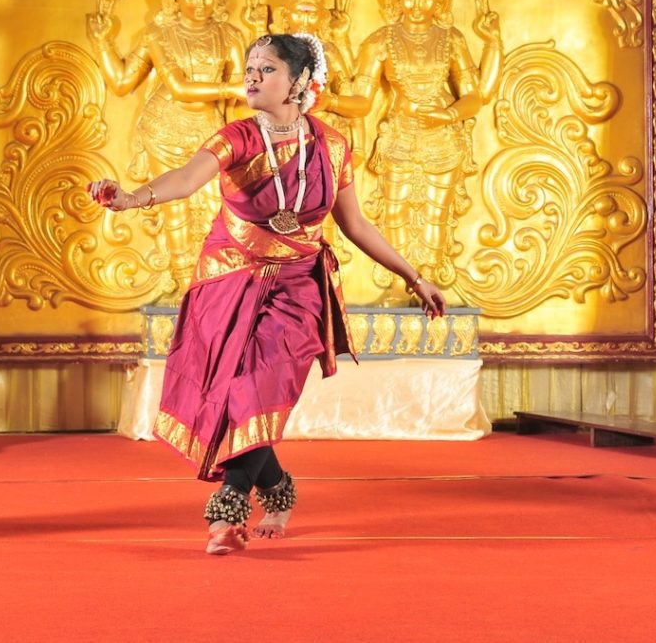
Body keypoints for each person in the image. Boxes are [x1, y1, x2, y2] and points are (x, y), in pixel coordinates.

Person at [88, 32, 446, 556]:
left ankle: (226, 511)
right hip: (229, 277)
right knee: (238, 392)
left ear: (300, 81)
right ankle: (277, 489)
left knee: (263, 384)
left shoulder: (333, 144)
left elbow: (356, 225)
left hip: (298, 284)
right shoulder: (237, 136)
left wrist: (416, 277)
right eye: (250, 68)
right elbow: (187, 179)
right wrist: (130, 198)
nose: (252, 76)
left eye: (267, 68)